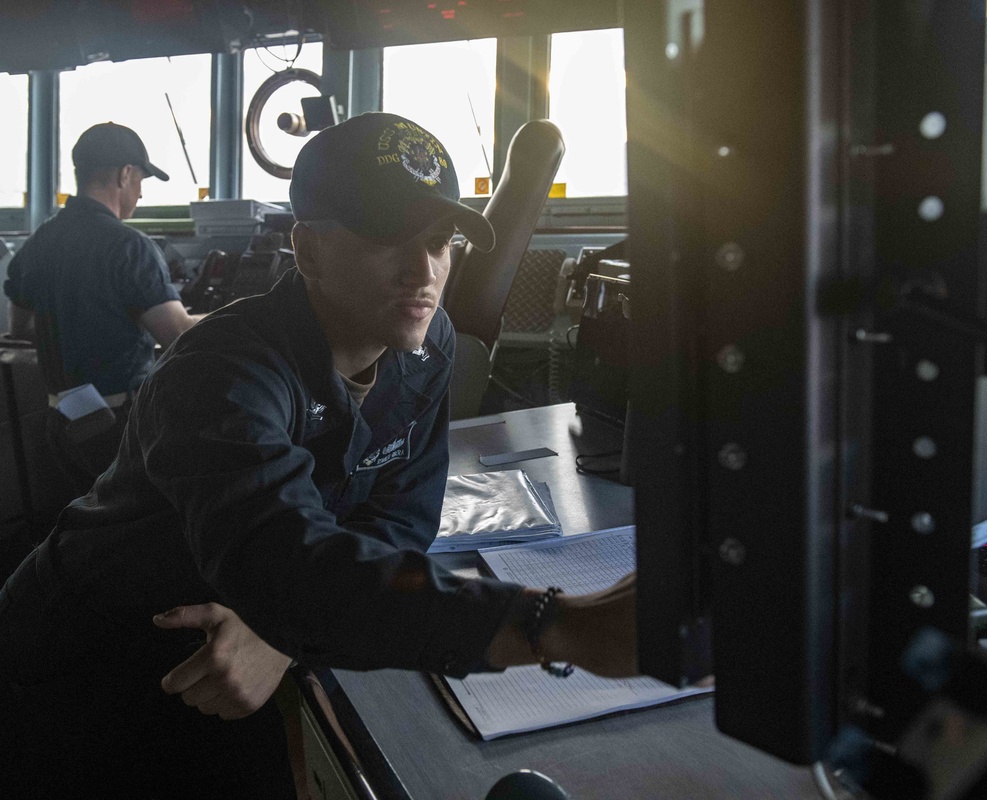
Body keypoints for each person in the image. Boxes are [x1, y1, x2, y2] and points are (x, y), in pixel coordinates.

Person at [0, 112, 637, 799]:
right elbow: (285, 558)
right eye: (386, 239)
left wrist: (281, 632)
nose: (424, 272)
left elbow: (399, 521)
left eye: (440, 241)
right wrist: (553, 626)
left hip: (236, 654)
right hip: (85, 656)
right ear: (307, 251)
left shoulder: (426, 350)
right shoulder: (223, 372)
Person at [3, 122, 203, 501]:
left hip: (61, 420)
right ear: (124, 174)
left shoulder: (41, 240)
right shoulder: (130, 246)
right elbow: (177, 335)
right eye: (141, 180)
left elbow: (21, 328)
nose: (141, 194)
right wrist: (229, 315)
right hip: (117, 427)